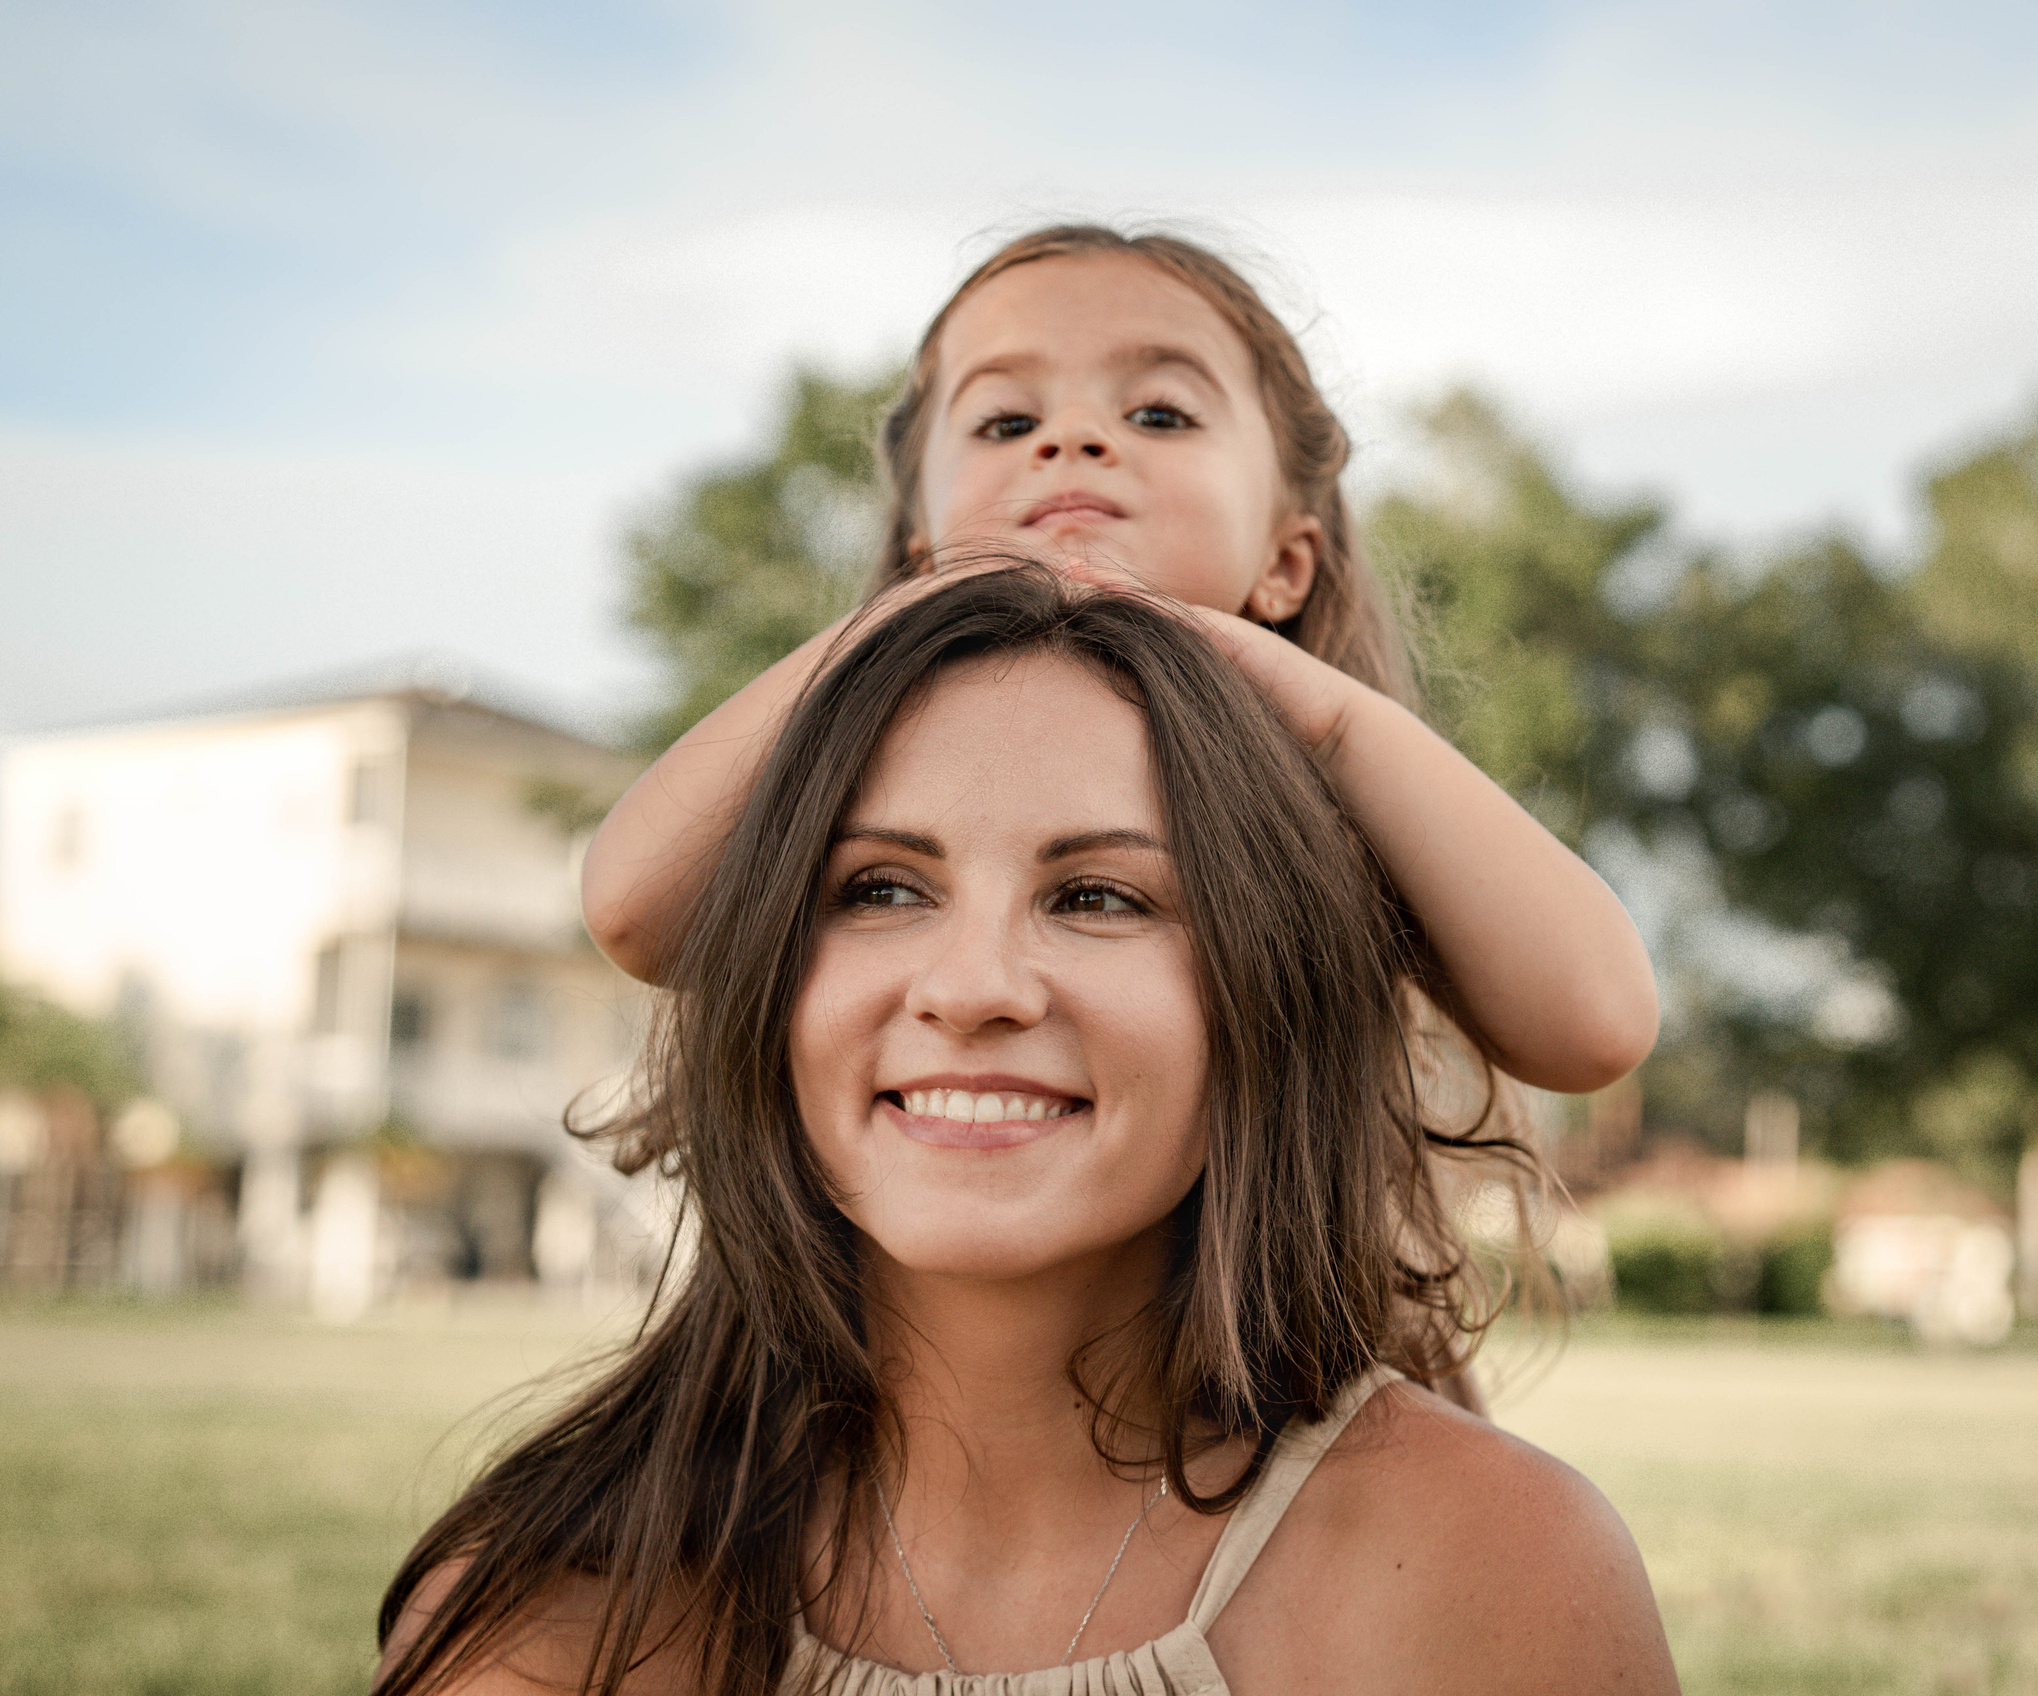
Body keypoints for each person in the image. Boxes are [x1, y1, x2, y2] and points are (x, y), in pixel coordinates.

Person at [374, 568, 1680, 1696]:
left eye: (1099, 895)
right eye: (881, 888)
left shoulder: (1500, 1574)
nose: (973, 986)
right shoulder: (544, 1608)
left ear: (1267, 997)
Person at [579, 225, 1659, 1103]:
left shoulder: (1322, 775)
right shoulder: (876, 740)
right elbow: (636, 912)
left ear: (1285, 562)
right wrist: (897, 620)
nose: (1072, 438)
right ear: (918, 544)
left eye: (1157, 413)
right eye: (1006, 420)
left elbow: (1595, 1028)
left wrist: (1332, 720)